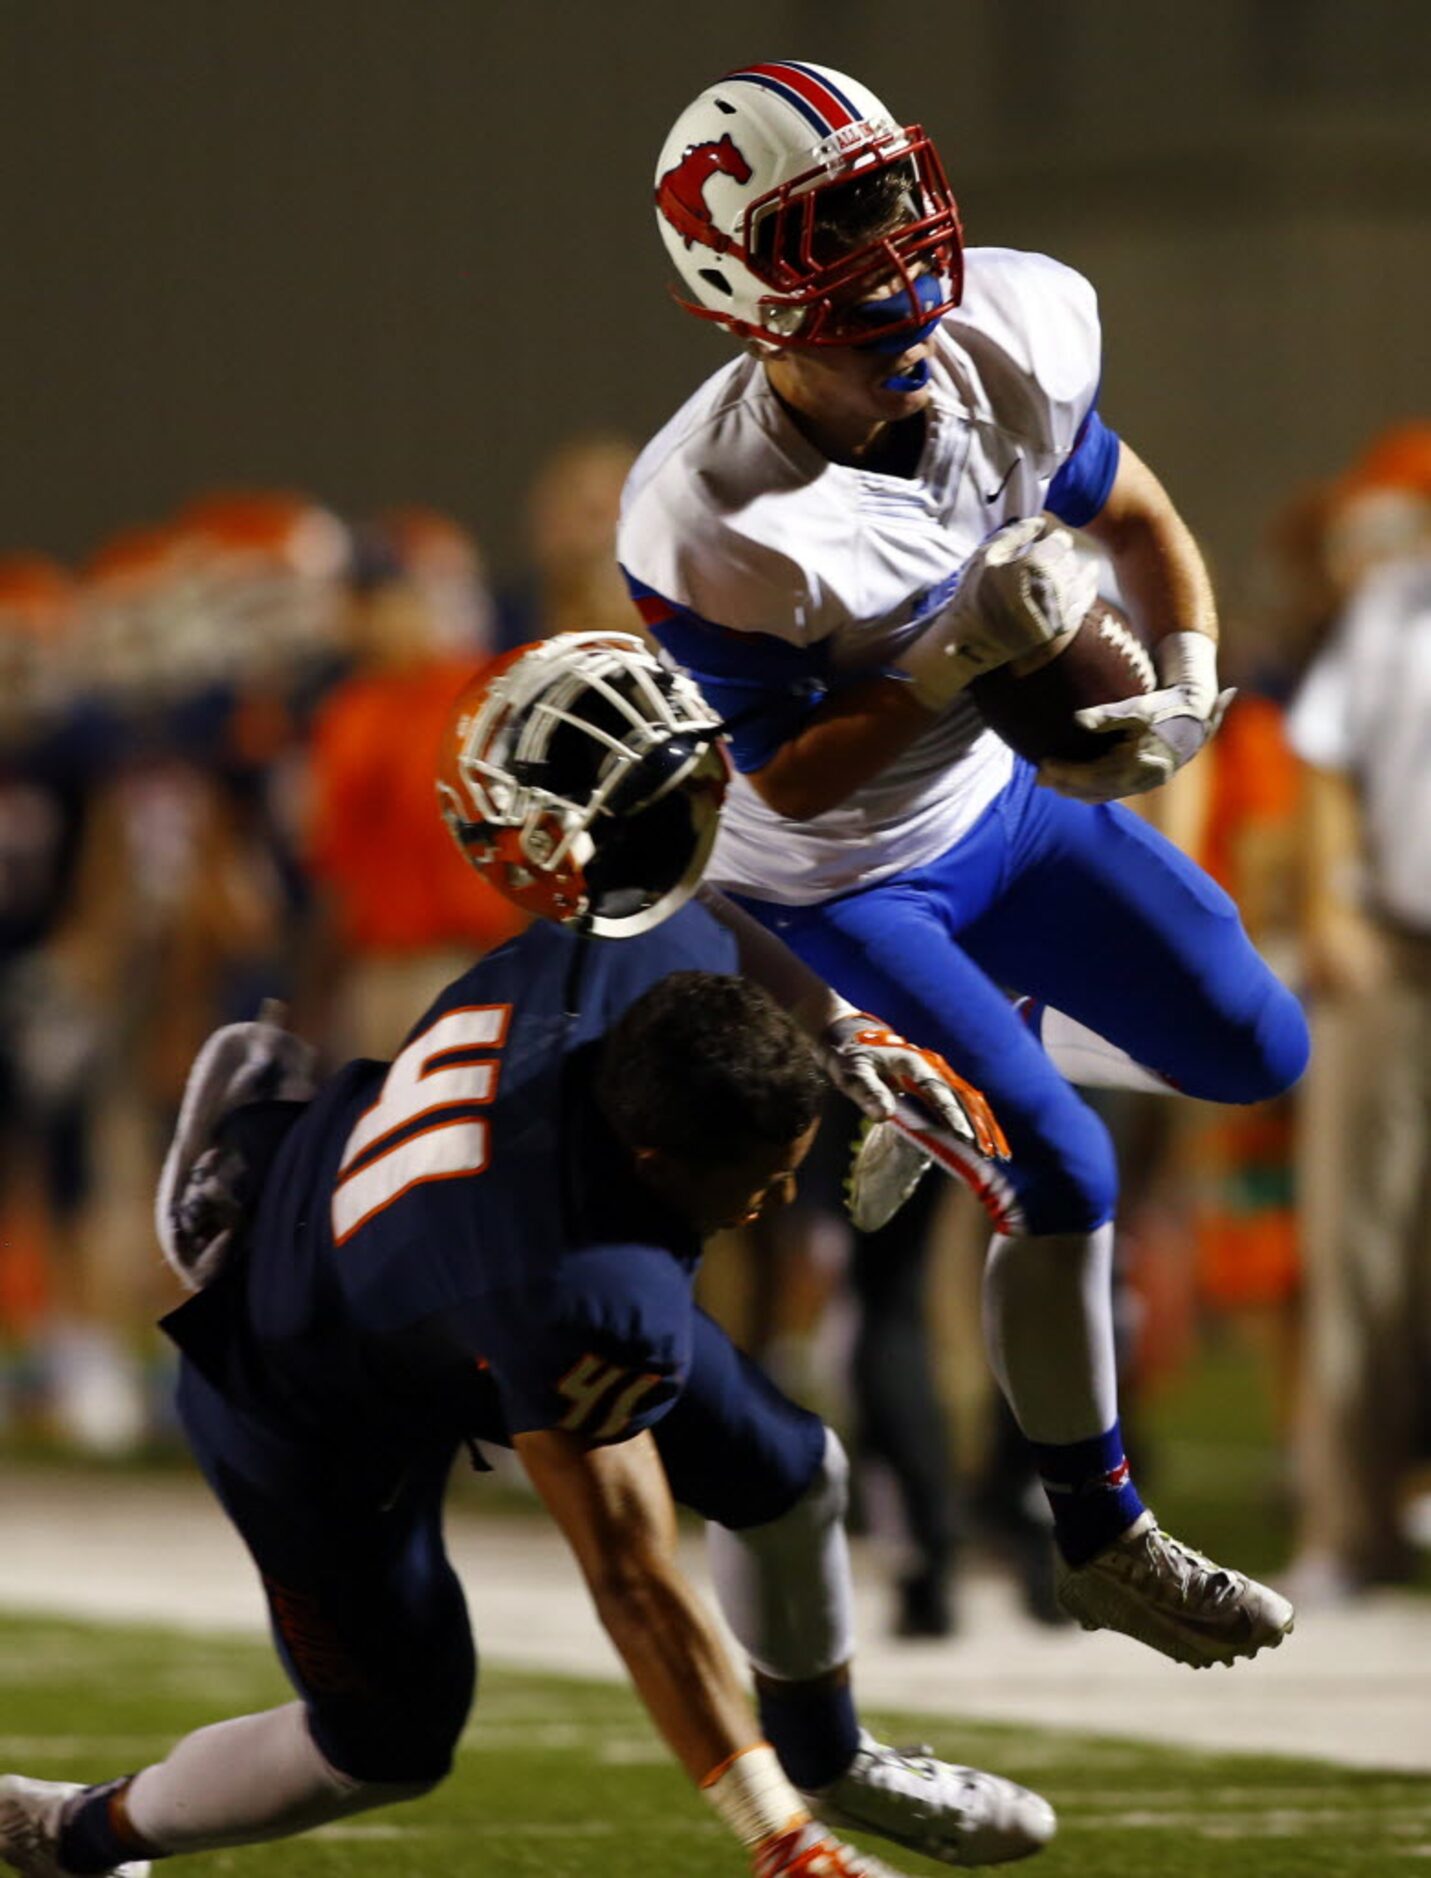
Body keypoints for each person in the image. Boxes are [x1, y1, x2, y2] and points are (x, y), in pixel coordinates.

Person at [0, 635, 1052, 1878]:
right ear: (658, 1161)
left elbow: (706, 911)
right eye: (758, 1177)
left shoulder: (631, 967)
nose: (778, 1200)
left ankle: (834, 1749)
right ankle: (77, 1832)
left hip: (423, 1218)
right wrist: (779, 1842)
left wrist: (843, 1034)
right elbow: (631, 1579)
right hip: (302, 1374)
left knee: (793, 1470)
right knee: (388, 1738)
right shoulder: (572, 1288)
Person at [619, 60, 1309, 1663]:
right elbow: (775, 771)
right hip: (842, 873)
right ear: (739, 288)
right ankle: (1098, 1532)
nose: (889, 262)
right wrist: (940, 666)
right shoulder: (714, 514)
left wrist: (1188, 676)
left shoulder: (1001, 328)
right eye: (828, 232)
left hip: (1005, 804)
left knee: (1253, 1048)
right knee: (1061, 1165)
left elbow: (1130, 507)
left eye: (881, 194)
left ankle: (951, 1067)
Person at [1284, 424, 1431, 1598]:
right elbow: (1324, 754)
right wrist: (1332, 903)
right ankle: (1349, 1528)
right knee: (1359, 1252)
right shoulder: (1395, 611)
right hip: (1397, 947)